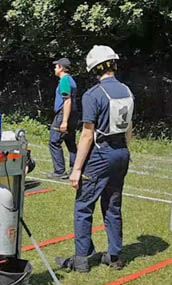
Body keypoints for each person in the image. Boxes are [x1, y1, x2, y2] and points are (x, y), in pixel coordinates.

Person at [56, 45, 134, 273]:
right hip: (122, 152)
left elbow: (88, 134)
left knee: (83, 205)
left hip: (101, 154)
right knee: (112, 205)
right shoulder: (128, 91)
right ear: (113, 64)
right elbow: (129, 128)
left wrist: (77, 169)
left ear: (95, 69)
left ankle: (81, 259)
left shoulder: (94, 95)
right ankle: (115, 255)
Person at [48, 58, 78, 179]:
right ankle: (75, 169)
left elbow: (67, 101)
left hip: (63, 114)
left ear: (61, 68)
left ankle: (59, 171)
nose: (54, 69)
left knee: (54, 141)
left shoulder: (65, 80)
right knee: (70, 142)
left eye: (56, 67)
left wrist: (64, 121)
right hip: (74, 115)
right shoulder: (71, 80)